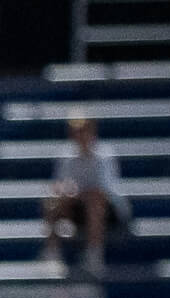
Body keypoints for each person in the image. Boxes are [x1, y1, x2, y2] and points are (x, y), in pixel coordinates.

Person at [41, 117, 127, 276]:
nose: (80, 135)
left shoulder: (105, 156)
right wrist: (65, 192)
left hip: (109, 213)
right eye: (76, 131)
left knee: (94, 202)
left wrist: (77, 193)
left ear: (92, 131)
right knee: (51, 202)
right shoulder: (65, 155)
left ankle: (94, 255)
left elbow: (103, 192)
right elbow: (59, 186)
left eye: (84, 130)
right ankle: (52, 254)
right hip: (77, 208)